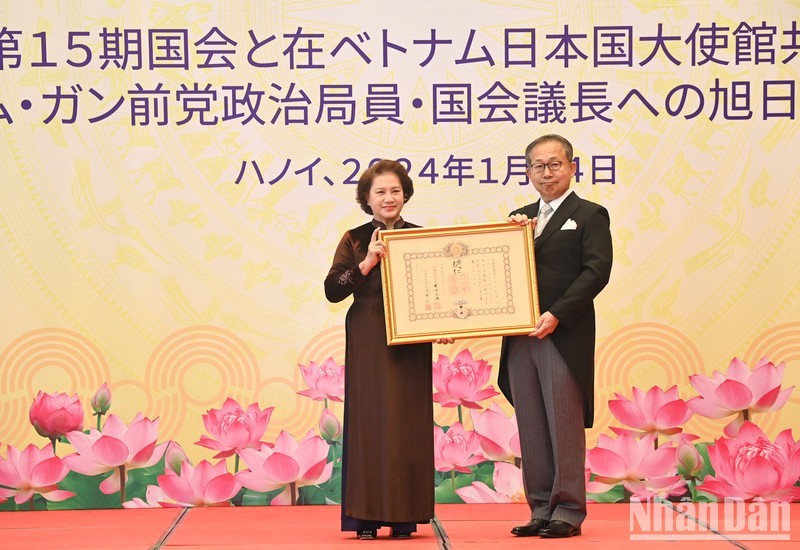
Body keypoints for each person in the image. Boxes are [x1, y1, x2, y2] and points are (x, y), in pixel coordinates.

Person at [498, 134, 613, 538]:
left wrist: (557, 315)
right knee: (531, 423)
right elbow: (498, 274)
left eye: (554, 164)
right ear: (528, 171)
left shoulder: (589, 214)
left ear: (572, 167)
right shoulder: (519, 218)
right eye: (538, 166)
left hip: (561, 335)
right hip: (520, 336)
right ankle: (540, 507)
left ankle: (567, 510)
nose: (546, 173)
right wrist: (509, 240)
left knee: (563, 423)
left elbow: (596, 272)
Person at [324, 159, 434, 540]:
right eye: (380, 192)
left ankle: (405, 516)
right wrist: (367, 263)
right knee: (368, 423)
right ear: (366, 199)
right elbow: (333, 289)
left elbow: (437, 293)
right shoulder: (354, 238)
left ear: (405, 196)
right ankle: (365, 518)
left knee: (408, 425)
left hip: (411, 343)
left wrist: (447, 324)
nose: (389, 198)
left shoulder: (421, 238)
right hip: (369, 338)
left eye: (396, 191)